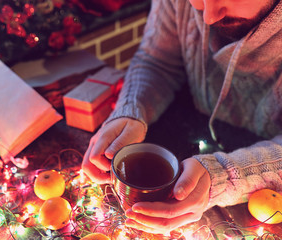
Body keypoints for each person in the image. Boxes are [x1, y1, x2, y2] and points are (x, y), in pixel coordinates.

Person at [82, 0, 282, 235]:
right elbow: (156, 61)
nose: (207, 17)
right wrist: (131, 109)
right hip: (187, 132)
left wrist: (224, 174)